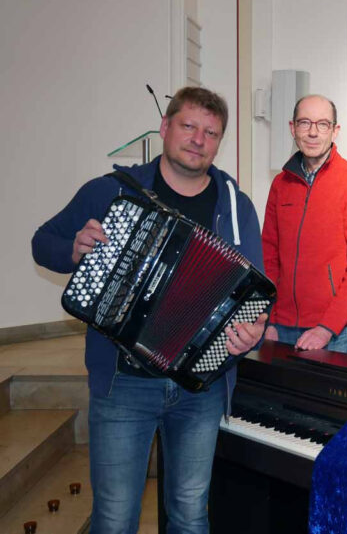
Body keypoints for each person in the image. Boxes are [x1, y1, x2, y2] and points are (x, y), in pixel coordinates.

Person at [31, 87, 267, 534]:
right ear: (165, 128)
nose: (198, 139)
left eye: (211, 132)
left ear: (220, 143)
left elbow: (255, 296)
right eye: (189, 126)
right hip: (124, 385)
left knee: (190, 513)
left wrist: (254, 330)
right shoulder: (111, 191)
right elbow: (43, 242)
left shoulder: (236, 206)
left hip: (200, 388)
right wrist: (74, 249)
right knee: (116, 518)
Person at [262, 94, 347, 352]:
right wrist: (268, 317)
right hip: (280, 327)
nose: (313, 132)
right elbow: (268, 256)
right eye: (305, 123)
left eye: (322, 124)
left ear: (335, 131)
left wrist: (327, 327)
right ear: (293, 128)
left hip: (336, 333)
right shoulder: (281, 185)